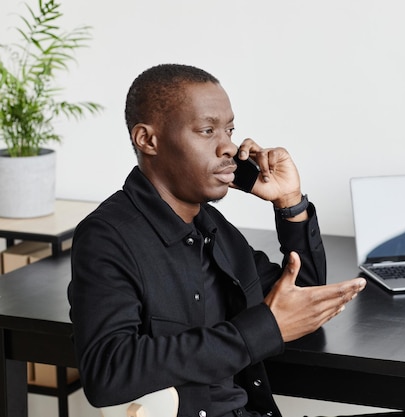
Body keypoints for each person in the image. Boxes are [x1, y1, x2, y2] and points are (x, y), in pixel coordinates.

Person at [68, 63, 366, 417]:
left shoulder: (210, 224)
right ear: (148, 140)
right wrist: (255, 334)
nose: (228, 147)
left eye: (230, 130)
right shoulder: (107, 236)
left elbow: (302, 300)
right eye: (207, 130)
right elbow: (108, 372)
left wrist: (290, 202)